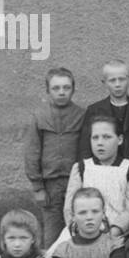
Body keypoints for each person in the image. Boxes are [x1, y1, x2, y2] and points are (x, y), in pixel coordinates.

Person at [55, 116, 129, 254]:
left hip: (117, 234)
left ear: (120, 139)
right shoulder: (81, 168)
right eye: (95, 138)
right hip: (82, 232)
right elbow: (69, 207)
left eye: (106, 137)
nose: (100, 143)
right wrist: (78, 230)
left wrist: (115, 231)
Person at [25, 67, 85, 247]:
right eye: (56, 88)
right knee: (52, 233)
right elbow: (32, 152)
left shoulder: (82, 115)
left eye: (66, 88)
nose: (61, 92)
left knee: (77, 228)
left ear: (73, 89)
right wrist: (38, 188)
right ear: (47, 90)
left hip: (76, 181)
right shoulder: (39, 116)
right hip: (50, 185)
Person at [80, 60, 129, 165]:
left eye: (122, 79)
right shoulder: (94, 110)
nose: (117, 84)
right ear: (104, 83)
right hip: (103, 171)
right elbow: (86, 147)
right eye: (112, 80)